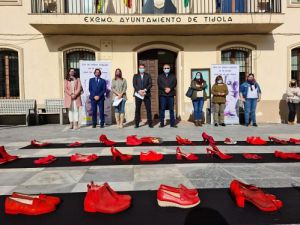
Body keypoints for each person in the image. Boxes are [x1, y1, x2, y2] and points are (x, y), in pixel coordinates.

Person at [133, 64, 153, 128]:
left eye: (142, 68)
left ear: (144, 68)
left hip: (146, 94)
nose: (141, 69)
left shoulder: (148, 75)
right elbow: (134, 84)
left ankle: (150, 124)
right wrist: (139, 91)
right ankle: (136, 124)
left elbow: (150, 84)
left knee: (148, 109)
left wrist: (144, 90)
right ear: (138, 69)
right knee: (137, 109)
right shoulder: (135, 76)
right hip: (138, 95)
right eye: (140, 68)